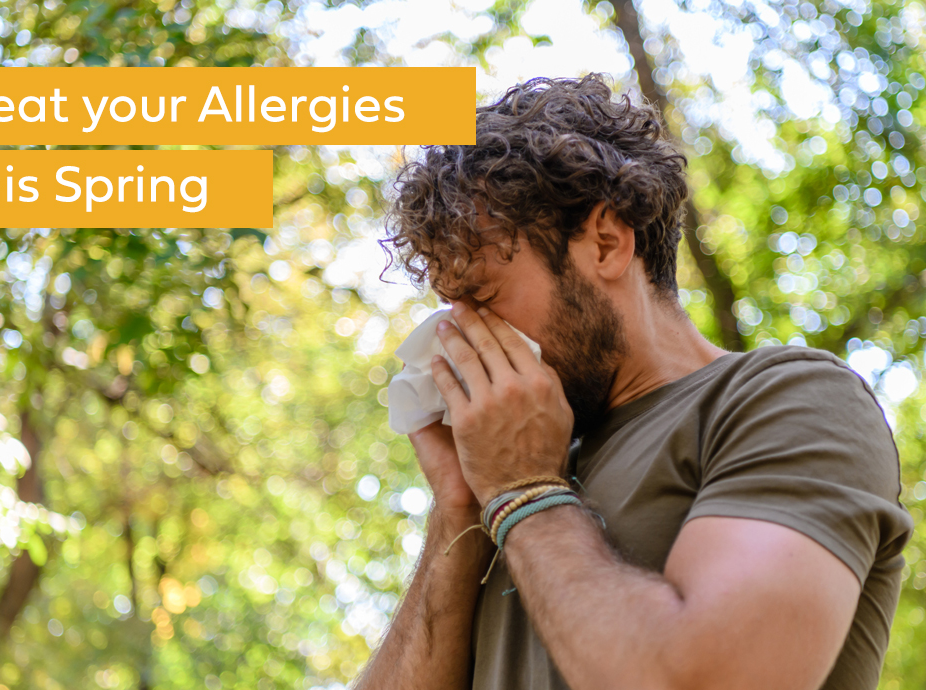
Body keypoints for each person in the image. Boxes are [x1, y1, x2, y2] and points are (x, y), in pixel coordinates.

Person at [355, 74, 914, 690]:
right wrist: (460, 506)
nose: (459, 337)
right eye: (450, 307)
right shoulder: (510, 468)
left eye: (483, 297)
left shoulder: (788, 399)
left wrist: (525, 492)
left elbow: (709, 679)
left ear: (606, 242)